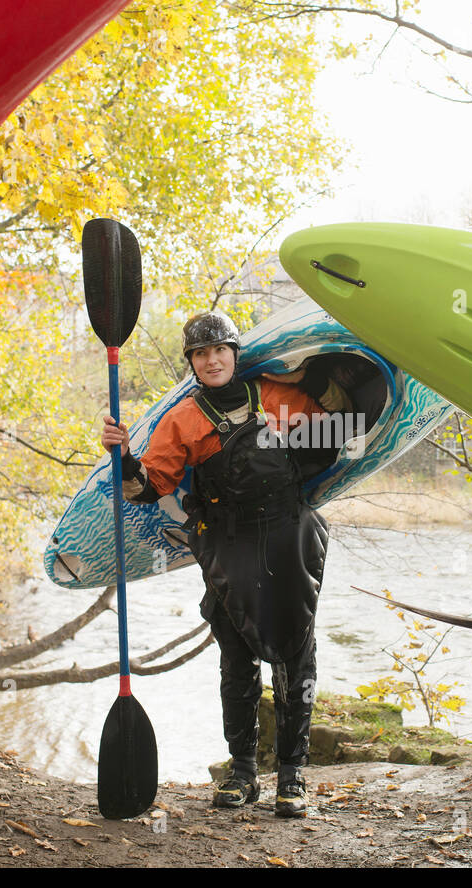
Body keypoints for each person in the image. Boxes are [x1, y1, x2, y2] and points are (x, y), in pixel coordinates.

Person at [101, 311, 353, 818]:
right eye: (201, 353)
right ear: (192, 363)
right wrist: (125, 457)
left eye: (220, 351)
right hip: (226, 543)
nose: (212, 360)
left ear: (235, 356)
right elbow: (148, 489)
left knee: (294, 657)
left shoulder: (279, 398)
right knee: (237, 661)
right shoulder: (184, 420)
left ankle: (291, 775)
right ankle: (242, 772)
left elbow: (338, 435)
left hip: (286, 539)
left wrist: (314, 377)